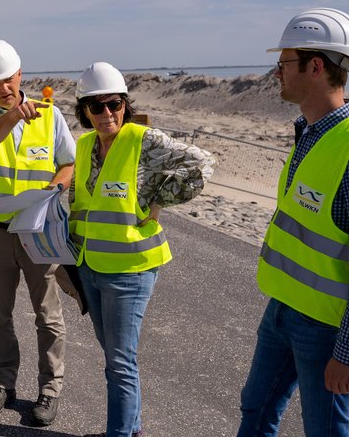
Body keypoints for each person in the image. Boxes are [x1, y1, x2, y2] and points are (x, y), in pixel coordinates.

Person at [236, 8, 349, 437]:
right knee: (254, 412)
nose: (276, 72)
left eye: (284, 63)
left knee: (325, 430)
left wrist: (348, 353)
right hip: (283, 310)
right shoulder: (311, 132)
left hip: (327, 328)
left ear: (315, 66)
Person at [69, 62, 214, 437]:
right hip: (91, 268)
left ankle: (120, 434)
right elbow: (78, 200)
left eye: (113, 104)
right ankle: (130, 429)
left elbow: (201, 164)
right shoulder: (84, 146)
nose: (106, 114)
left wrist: (161, 196)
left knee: (119, 361)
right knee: (115, 358)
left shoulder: (142, 140)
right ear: (83, 110)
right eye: (95, 106)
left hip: (130, 271)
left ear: (125, 105)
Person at [0, 39, 75, 426]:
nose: (3, 89)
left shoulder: (50, 116)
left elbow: (68, 163)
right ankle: (2, 385)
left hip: (38, 232)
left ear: (19, 74)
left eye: (7, 80)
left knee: (47, 315)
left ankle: (49, 391)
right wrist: (12, 116)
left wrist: (57, 189)